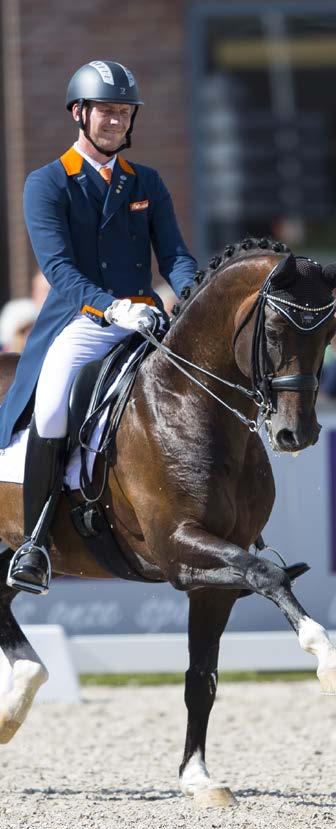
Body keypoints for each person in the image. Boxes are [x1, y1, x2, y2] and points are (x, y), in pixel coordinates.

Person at [0, 60, 197, 595]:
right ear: (79, 113)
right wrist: (112, 307)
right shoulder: (48, 183)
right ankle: (36, 541)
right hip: (82, 321)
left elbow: (175, 255)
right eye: (106, 110)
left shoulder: (146, 182)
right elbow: (58, 270)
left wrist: (191, 293)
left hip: (144, 319)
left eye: (124, 112)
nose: (116, 120)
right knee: (54, 403)